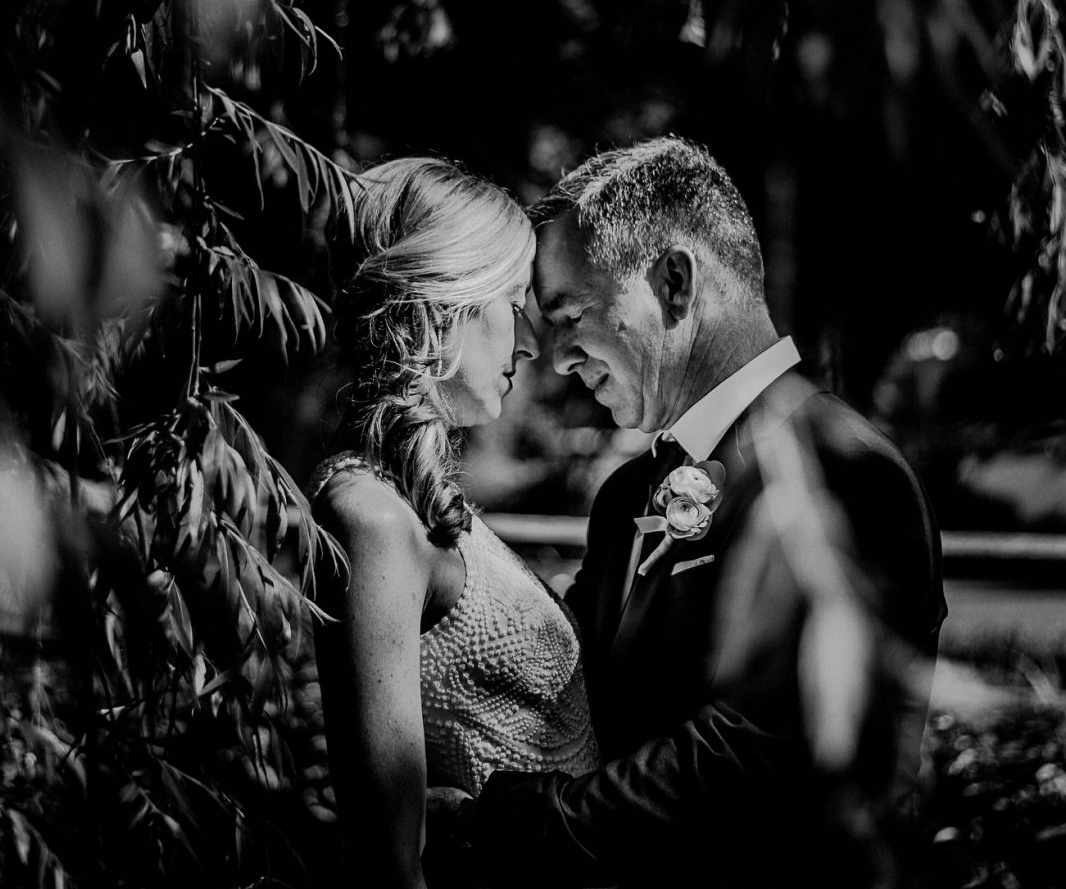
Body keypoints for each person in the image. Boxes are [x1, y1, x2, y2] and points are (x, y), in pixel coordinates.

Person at [451, 136, 946, 888]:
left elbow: (766, 752)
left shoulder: (846, 470)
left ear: (674, 283)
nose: (556, 358)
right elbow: (577, 680)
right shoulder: (627, 498)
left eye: (572, 313)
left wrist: (518, 824)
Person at [310, 157, 600, 889]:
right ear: (447, 300)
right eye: (513, 301)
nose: (532, 344)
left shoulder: (421, 504)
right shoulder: (370, 516)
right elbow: (387, 860)